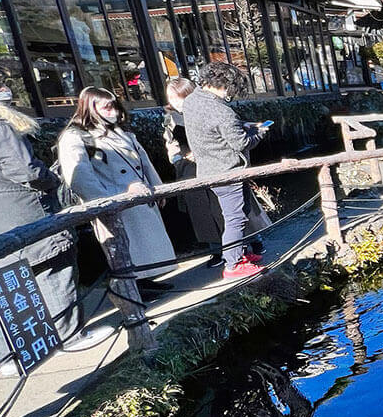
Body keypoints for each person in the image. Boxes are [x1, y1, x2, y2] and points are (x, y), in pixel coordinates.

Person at [0, 62, 108, 362]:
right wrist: (51, 179)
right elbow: (24, 169)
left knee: (2, 286)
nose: (4, 89)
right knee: (55, 266)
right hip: (24, 211)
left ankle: (8, 357)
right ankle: (69, 334)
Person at [57, 86, 176, 291]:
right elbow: (79, 176)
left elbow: (144, 162)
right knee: (126, 247)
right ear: (90, 108)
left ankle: (146, 278)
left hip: (140, 195)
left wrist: (157, 188)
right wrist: (105, 201)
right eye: (106, 107)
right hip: (115, 199)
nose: (112, 111)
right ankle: (133, 288)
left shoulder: (122, 133)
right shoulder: (76, 136)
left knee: (146, 244)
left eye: (113, 106)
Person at [185, 61, 272, 280]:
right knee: (235, 219)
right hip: (228, 170)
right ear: (224, 84)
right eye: (231, 89)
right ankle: (233, 265)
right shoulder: (221, 112)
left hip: (208, 168)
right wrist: (260, 132)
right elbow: (241, 144)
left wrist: (242, 124)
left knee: (234, 215)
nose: (230, 94)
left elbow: (215, 128)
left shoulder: (192, 100)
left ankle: (238, 253)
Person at [163, 77, 224, 267]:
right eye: (171, 98)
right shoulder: (170, 118)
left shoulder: (205, 109)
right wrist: (176, 158)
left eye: (178, 97)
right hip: (187, 167)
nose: (174, 102)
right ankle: (215, 249)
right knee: (200, 211)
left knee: (222, 207)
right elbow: (170, 142)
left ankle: (243, 243)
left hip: (212, 164)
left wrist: (201, 152)